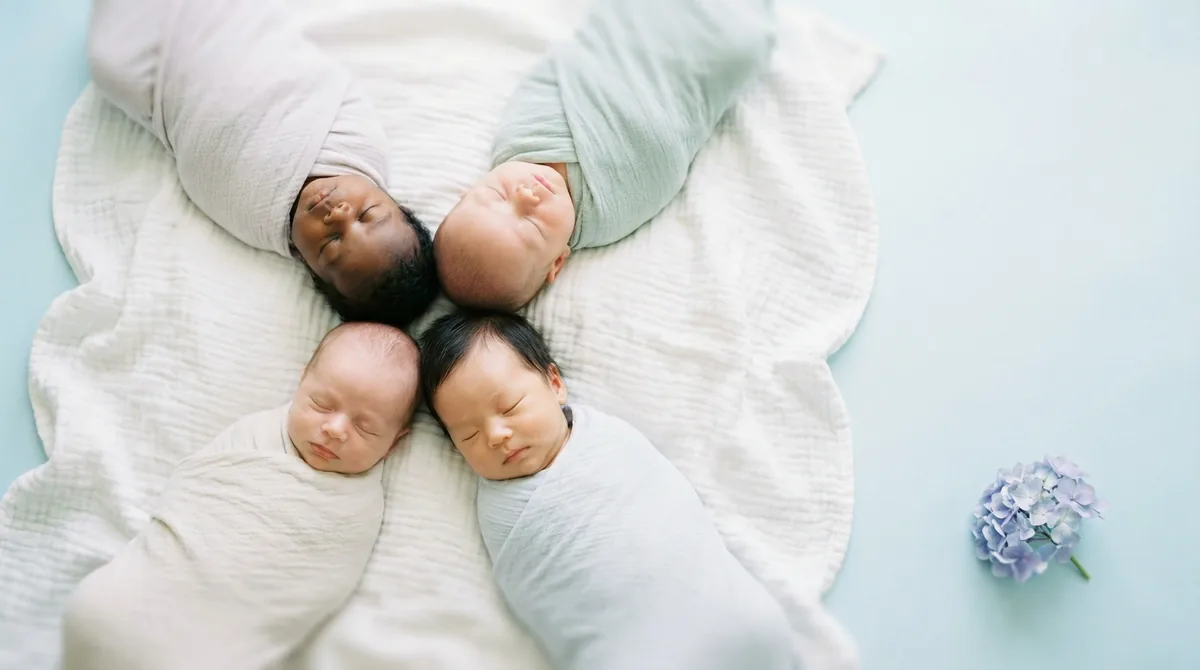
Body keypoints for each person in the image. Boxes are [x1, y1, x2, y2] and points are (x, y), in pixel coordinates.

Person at [418, 311, 797, 670]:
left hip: (727, 615)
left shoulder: (606, 439)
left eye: (511, 406)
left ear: (555, 384)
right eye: (468, 434)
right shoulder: (500, 511)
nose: (496, 435)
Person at [60, 322, 418, 670]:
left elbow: (316, 586)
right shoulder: (253, 437)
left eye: (364, 427)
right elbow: (194, 496)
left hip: (215, 648)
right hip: (120, 608)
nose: (335, 429)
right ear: (301, 382)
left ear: (394, 442)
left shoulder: (357, 509)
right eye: (322, 404)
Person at [86, 0, 438, 328]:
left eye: (330, 244)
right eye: (367, 214)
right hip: (238, 40)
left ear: (309, 266)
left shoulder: (258, 222)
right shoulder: (359, 144)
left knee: (112, 61)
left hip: (168, 94)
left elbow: (202, 175)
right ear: (394, 201)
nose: (338, 214)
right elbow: (313, 78)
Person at [434, 0, 776, 311]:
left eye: (498, 194)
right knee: (739, 44)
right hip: (699, 67)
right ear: (557, 262)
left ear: (470, 188)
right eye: (534, 225)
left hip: (627, 40)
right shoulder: (608, 215)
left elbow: (568, 65)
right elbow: (666, 159)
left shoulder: (518, 135)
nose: (526, 195)